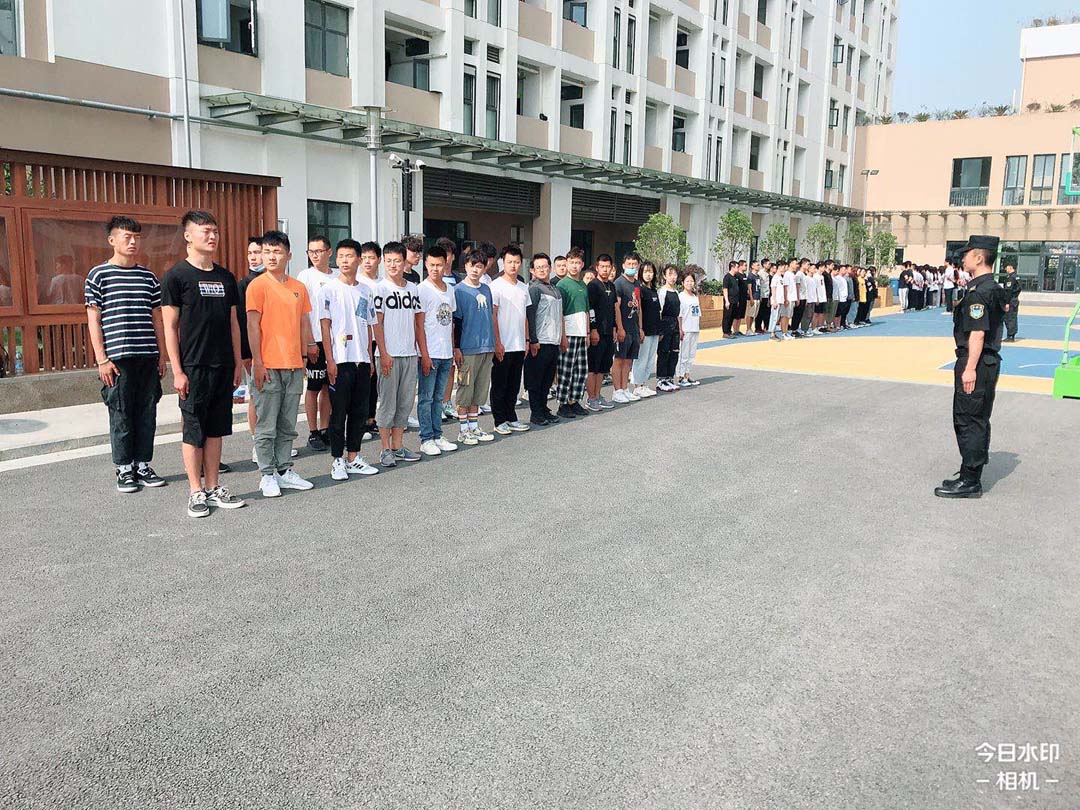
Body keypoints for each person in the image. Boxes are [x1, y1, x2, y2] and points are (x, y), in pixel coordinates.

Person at [161, 210, 247, 518]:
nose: (212, 236)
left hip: (222, 365)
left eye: (215, 231)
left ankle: (213, 487)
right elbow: (170, 327)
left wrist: (237, 363)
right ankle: (195, 491)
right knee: (193, 430)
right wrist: (177, 371)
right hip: (193, 367)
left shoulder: (225, 277)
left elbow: (234, 324)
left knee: (215, 429)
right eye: (205, 231)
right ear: (188, 236)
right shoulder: (176, 277)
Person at [85, 216, 167, 494]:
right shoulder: (98, 275)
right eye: (126, 237)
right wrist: (102, 359)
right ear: (112, 240)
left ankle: (142, 465)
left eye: (137, 237)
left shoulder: (148, 277)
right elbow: (94, 320)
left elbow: (157, 319)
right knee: (121, 413)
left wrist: (162, 355)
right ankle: (123, 468)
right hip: (117, 359)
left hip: (147, 355)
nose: (133, 242)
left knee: (147, 412)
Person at [246, 230, 318, 498]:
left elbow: (303, 322)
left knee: (287, 424)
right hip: (268, 366)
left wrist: (305, 353)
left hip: (294, 365)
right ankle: (267, 474)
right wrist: (258, 362)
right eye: (267, 252)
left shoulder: (298, 287)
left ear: (288, 255)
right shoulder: (257, 286)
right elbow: (252, 326)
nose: (271, 257)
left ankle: (284, 470)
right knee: (267, 425)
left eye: (277, 251)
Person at [935, 236, 1004, 499]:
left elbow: (977, 333)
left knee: (968, 419)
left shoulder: (979, 292)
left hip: (976, 360)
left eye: (967, 254)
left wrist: (970, 368)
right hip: (985, 361)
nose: (962, 258)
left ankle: (970, 480)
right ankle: (969, 472)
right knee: (976, 417)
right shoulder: (992, 288)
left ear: (979, 257)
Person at [319, 238, 381, 479]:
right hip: (340, 360)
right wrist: (330, 360)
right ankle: (337, 459)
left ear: (359, 259)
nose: (344, 261)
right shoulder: (329, 290)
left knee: (359, 411)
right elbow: (325, 327)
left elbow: (369, 325)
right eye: (341, 256)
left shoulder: (366, 290)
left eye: (349, 256)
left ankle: (354, 457)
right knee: (339, 413)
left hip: (361, 360)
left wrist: (371, 358)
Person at [373, 241, 428, 466]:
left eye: (397, 261)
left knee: (404, 404)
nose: (393, 265)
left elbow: (418, 324)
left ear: (404, 261)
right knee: (388, 404)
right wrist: (383, 353)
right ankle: (385, 449)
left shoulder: (413, 289)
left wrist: (422, 354)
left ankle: (398, 446)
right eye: (389, 261)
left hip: (409, 354)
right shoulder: (379, 289)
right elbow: (377, 324)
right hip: (388, 356)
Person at [415, 244, 460, 456]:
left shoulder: (450, 289)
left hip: (445, 353)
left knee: (439, 397)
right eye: (431, 264)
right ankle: (426, 438)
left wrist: (452, 350)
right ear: (425, 264)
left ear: (446, 264)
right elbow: (419, 325)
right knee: (426, 398)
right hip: (429, 353)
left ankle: (437, 434)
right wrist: (424, 355)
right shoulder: (421, 290)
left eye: (439, 265)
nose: (435, 269)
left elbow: (450, 323)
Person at [297, 236, 338, 452]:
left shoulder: (338, 276)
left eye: (319, 251)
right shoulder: (305, 276)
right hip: (315, 341)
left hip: (334, 342)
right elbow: (302, 313)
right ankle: (313, 431)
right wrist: (309, 342)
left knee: (328, 387)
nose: (314, 255)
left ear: (329, 252)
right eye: (310, 251)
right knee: (313, 387)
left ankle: (325, 428)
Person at [453, 250, 497, 444]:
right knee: (465, 390)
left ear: (484, 268)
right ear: (465, 266)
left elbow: (490, 317)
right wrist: (457, 348)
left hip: (486, 347)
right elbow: (457, 322)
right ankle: (463, 430)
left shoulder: (486, 289)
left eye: (479, 266)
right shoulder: (459, 290)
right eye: (472, 266)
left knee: (479, 390)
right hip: (468, 348)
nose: (475, 270)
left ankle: (474, 426)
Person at [489, 245, 531, 434]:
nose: (513, 266)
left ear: (521, 263)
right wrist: (497, 342)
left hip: (519, 343)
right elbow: (493, 316)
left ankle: (511, 416)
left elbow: (525, 317)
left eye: (516, 262)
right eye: (509, 262)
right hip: (503, 344)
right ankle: (499, 420)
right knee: (500, 383)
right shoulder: (495, 286)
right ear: (503, 263)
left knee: (514, 384)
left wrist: (527, 340)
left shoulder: (523, 287)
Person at [524, 252, 566, 425]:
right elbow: (530, 316)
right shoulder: (533, 289)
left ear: (550, 268)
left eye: (545, 266)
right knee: (536, 379)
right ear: (532, 270)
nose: (542, 270)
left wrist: (562, 338)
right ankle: (536, 412)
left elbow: (560, 315)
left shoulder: (555, 289)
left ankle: (543, 408)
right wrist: (533, 340)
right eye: (538, 267)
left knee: (547, 379)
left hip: (553, 341)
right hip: (540, 341)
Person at [237, 236, 267, 462]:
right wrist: (246, 354)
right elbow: (241, 322)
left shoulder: (278, 281)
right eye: (250, 253)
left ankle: (272, 443)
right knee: (256, 397)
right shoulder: (245, 284)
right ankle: (258, 443)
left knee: (274, 400)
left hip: (276, 351)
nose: (253, 257)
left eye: (257, 252)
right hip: (254, 353)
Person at [555, 247, 590, 418]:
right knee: (565, 370)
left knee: (581, 370)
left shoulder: (583, 285)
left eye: (577, 262)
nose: (574, 266)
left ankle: (574, 401)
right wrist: (562, 336)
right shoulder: (562, 285)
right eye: (571, 262)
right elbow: (559, 313)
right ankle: (563, 403)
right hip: (568, 332)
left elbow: (586, 311)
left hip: (582, 333)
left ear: (582, 264)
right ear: (567, 263)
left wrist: (588, 333)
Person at [356, 241, 383, 440]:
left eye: (371, 258)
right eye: (364, 258)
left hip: (378, 340)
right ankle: (359, 422)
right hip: (361, 340)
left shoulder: (382, 284)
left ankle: (371, 419)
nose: (367, 262)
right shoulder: (357, 283)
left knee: (375, 383)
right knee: (362, 383)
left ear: (378, 260)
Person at [585, 254, 617, 411]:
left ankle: (598, 395)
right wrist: (593, 329)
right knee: (593, 367)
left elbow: (613, 309)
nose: (605, 269)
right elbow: (590, 309)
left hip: (608, 332)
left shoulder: (611, 286)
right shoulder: (593, 286)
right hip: (597, 332)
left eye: (608, 266)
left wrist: (615, 328)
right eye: (602, 266)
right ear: (597, 268)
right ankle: (591, 398)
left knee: (603, 367)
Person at [612, 252, 643, 403]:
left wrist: (640, 328)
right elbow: (616, 307)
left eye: (634, 264)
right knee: (619, 359)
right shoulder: (618, 283)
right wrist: (619, 327)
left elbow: (639, 307)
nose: (632, 266)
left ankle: (624, 388)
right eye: (629, 264)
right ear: (623, 265)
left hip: (634, 328)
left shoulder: (637, 284)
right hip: (623, 327)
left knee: (629, 360)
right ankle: (617, 390)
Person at [631, 261, 660, 398]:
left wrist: (659, 330)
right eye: (646, 271)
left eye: (651, 271)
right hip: (645, 330)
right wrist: (640, 329)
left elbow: (657, 311)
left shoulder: (654, 290)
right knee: (641, 359)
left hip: (655, 330)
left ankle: (643, 383)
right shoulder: (639, 289)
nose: (649, 274)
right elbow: (638, 310)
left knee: (650, 360)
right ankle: (637, 386)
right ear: (641, 273)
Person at [655, 264, 682, 391]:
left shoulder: (676, 292)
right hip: (665, 324)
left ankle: (670, 378)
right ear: (664, 276)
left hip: (675, 325)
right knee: (663, 352)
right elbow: (659, 312)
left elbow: (679, 313)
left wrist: (680, 328)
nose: (672, 277)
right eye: (670, 274)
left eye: (674, 274)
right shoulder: (662, 292)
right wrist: (660, 330)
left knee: (674, 352)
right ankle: (661, 380)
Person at [677, 269, 702, 387]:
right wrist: (680, 329)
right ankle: (681, 376)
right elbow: (679, 315)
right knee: (684, 354)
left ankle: (687, 374)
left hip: (694, 328)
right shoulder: (681, 296)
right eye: (687, 281)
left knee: (691, 354)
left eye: (691, 281)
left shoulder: (695, 297)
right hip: (685, 329)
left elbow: (698, 313)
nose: (689, 283)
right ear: (682, 283)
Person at [1001, 263, 1021, 342]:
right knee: (1013, 317)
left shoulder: (1011, 278)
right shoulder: (1016, 276)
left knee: (1009, 318)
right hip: (1015, 299)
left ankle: (1010, 336)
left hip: (1011, 300)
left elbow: (1008, 291)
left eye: (1006, 267)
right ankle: (1011, 334)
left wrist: (1007, 302)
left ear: (1010, 267)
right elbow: (1019, 289)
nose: (1005, 269)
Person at [721, 261, 739, 338]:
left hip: (735, 300)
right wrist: (727, 301)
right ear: (732, 267)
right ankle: (725, 332)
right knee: (727, 316)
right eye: (737, 267)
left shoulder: (735, 277)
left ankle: (729, 331)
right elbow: (725, 289)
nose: (738, 268)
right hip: (729, 300)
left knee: (732, 316)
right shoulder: (727, 277)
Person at [743, 260, 760, 336]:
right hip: (753, 297)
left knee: (754, 314)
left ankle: (750, 329)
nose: (758, 266)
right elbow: (749, 288)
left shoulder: (757, 276)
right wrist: (751, 298)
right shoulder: (750, 276)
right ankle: (748, 329)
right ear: (752, 266)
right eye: (757, 265)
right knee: (750, 314)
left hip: (757, 296)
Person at [754, 260, 772, 334]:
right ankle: (758, 328)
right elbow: (759, 285)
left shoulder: (768, 273)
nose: (769, 265)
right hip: (762, 295)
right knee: (760, 313)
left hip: (767, 295)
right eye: (768, 264)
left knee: (767, 312)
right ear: (764, 264)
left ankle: (766, 327)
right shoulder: (760, 273)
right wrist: (760, 295)